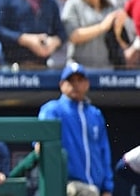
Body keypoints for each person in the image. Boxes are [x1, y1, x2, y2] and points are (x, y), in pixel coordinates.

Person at [38, 63, 114, 196]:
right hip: (65, 188)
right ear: (62, 84)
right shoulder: (52, 110)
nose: (75, 84)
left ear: (87, 84)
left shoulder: (95, 114)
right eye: (71, 80)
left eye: (79, 80)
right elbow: (40, 146)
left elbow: (104, 152)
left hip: (95, 189)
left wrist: (107, 188)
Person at [61, 0, 130, 69]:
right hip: (78, 70)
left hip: (106, 69)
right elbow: (72, 35)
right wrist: (102, 27)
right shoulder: (72, 4)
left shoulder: (111, 8)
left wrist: (118, 30)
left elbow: (124, 45)